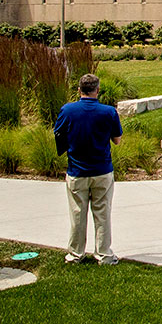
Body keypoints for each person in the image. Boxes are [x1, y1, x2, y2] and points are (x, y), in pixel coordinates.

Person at [54, 74, 125, 265]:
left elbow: (59, 133)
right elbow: (117, 140)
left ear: (79, 90)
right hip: (102, 170)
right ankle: (103, 254)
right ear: (97, 90)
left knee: (78, 213)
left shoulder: (67, 111)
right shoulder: (108, 112)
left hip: (77, 170)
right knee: (102, 213)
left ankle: (76, 254)